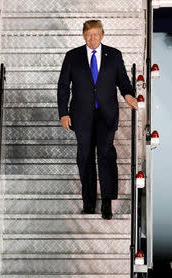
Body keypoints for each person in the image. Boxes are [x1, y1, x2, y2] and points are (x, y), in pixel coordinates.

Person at [57, 20, 138, 220]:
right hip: (81, 115)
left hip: (107, 115)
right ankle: (89, 203)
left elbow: (124, 82)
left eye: (96, 34)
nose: (93, 38)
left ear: (102, 35)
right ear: (83, 35)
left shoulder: (114, 55)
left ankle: (107, 202)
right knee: (84, 157)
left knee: (105, 154)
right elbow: (63, 86)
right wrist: (63, 113)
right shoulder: (72, 56)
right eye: (89, 35)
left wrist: (128, 95)